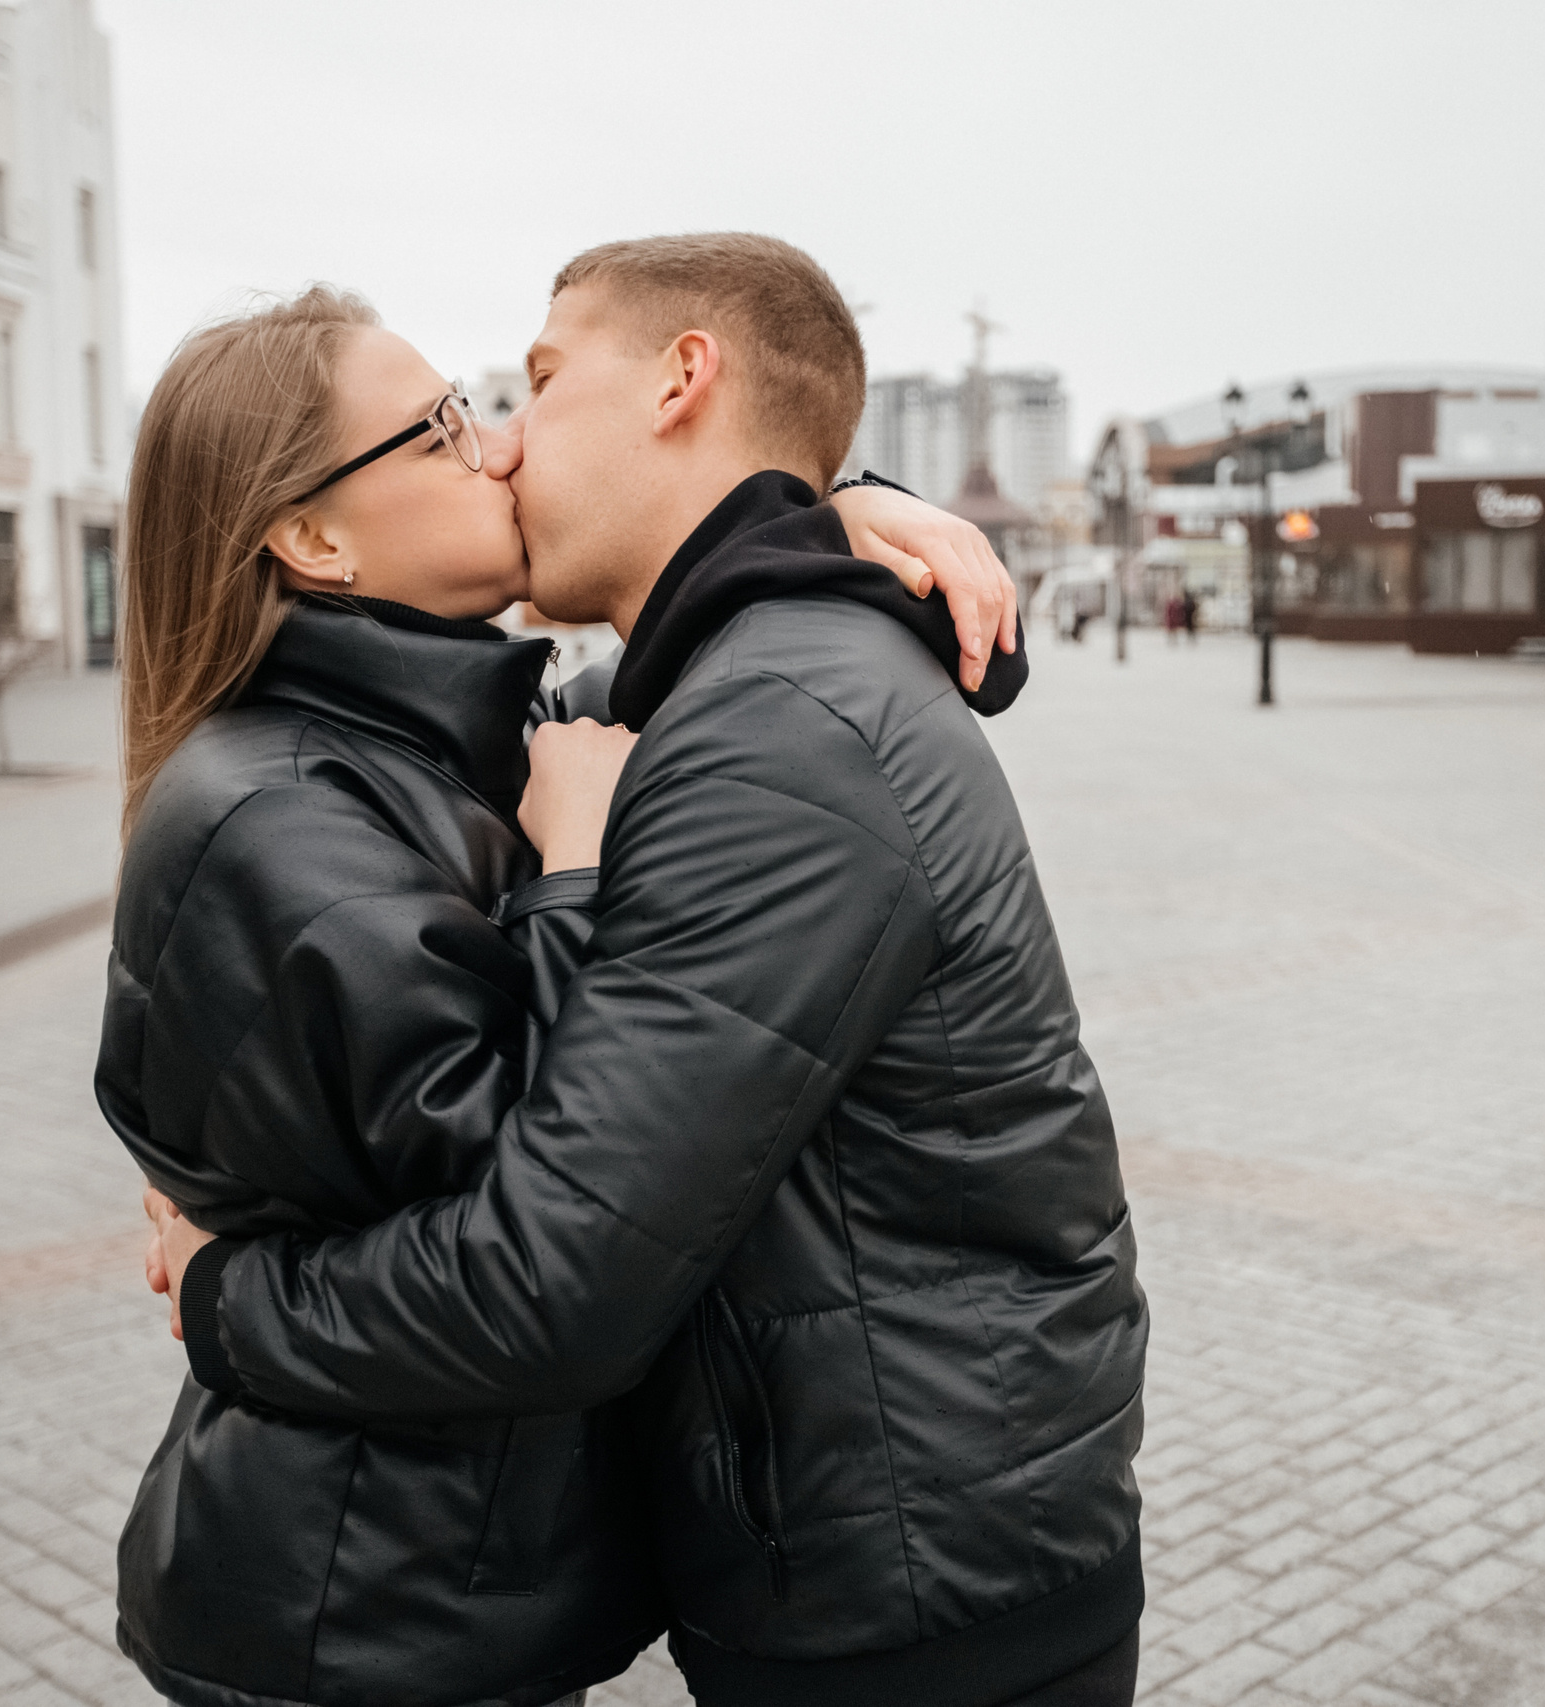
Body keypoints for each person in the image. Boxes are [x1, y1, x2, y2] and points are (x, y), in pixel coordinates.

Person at [148, 234, 1149, 1707]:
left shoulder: (774, 731)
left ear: (684, 379)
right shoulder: (733, 688)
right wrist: (829, 503)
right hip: (889, 1545)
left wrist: (229, 1296)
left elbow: (553, 1279)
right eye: (456, 420)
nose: (502, 444)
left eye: (537, 382)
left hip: (913, 1594)